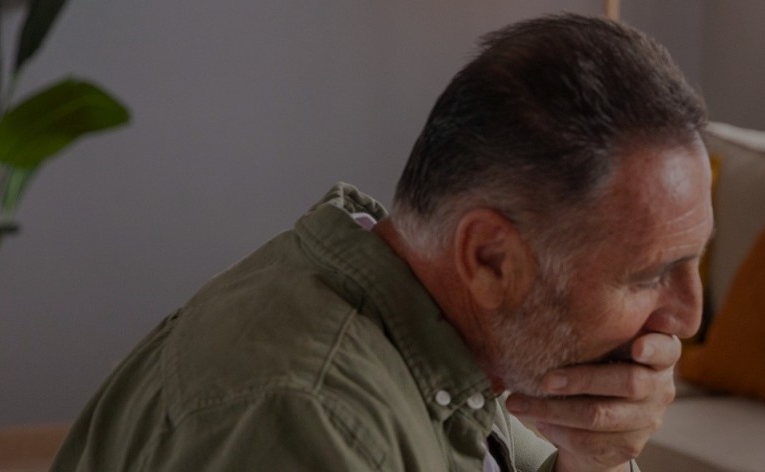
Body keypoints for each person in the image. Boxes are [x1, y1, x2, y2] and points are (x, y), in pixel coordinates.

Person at [52, 14, 710, 472]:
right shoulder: (309, 422)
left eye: (695, 262)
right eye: (652, 273)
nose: (689, 315)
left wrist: (591, 462)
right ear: (489, 259)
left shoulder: (459, 349)